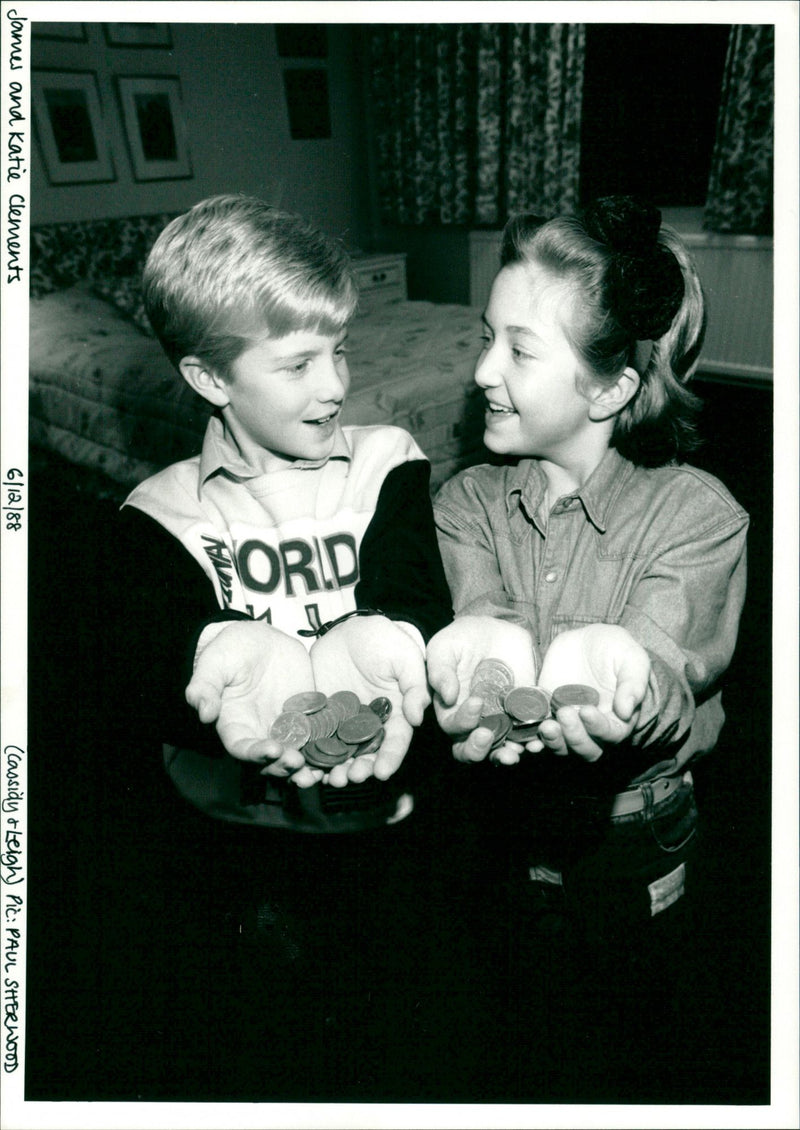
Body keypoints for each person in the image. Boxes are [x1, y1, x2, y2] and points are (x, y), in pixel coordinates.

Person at [111, 194, 456, 1092]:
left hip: (384, 812)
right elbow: (144, 673)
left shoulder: (390, 458)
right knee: (262, 1026)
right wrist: (215, 659)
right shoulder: (158, 512)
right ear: (211, 379)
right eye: (299, 362)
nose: (335, 385)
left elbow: (413, 593)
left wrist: (385, 634)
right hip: (234, 828)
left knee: (394, 1008)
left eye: (339, 351)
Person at [425, 197, 749, 1086]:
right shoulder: (464, 504)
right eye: (487, 335)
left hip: (633, 835)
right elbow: (479, 618)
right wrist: (471, 658)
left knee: (634, 1017)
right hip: (500, 821)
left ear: (612, 388)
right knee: (517, 1006)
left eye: (520, 350)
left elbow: (667, 672)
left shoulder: (700, 518)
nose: (483, 370)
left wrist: (629, 681)